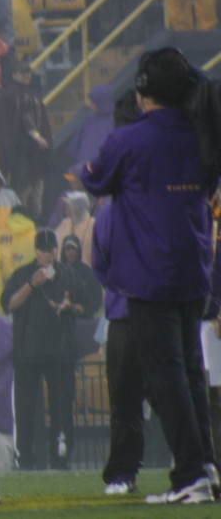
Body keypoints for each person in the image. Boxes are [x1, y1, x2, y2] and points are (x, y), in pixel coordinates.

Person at [82, 48, 220, 504]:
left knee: (167, 377)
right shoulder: (204, 131)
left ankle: (191, 475)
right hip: (194, 268)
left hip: (147, 273)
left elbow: (94, 180)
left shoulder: (130, 140)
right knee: (191, 374)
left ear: (142, 92)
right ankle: (206, 466)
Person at [1, 230, 99, 470]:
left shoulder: (69, 275)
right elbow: (8, 304)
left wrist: (70, 307)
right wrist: (31, 285)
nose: (48, 254)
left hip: (60, 352)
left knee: (62, 409)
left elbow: (89, 305)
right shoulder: (22, 274)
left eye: (51, 249)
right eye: (44, 250)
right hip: (27, 353)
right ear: (36, 251)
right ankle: (26, 458)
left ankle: (61, 457)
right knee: (25, 410)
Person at [0, 62, 52, 219]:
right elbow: (23, 123)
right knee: (22, 197)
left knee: (33, 197)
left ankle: (32, 228)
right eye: (22, 72)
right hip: (21, 157)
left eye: (28, 72)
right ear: (13, 74)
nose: (27, 75)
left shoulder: (29, 95)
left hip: (31, 156)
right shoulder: (9, 96)